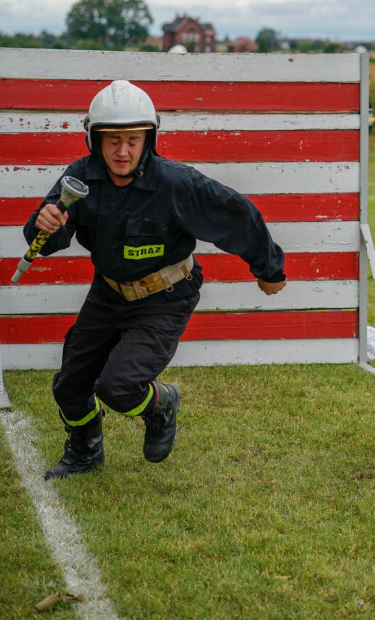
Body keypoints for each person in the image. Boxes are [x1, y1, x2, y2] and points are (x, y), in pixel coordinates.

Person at [23, 80, 287, 480]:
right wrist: (42, 225)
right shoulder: (80, 176)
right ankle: (85, 451)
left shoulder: (176, 183)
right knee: (69, 386)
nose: (123, 151)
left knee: (119, 388)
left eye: (133, 139)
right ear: (94, 138)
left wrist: (269, 270)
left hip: (165, 296)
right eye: (112, 140)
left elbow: (239, 215)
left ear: (150, 137)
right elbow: (49, 238)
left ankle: (162, 404)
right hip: (108, 294)